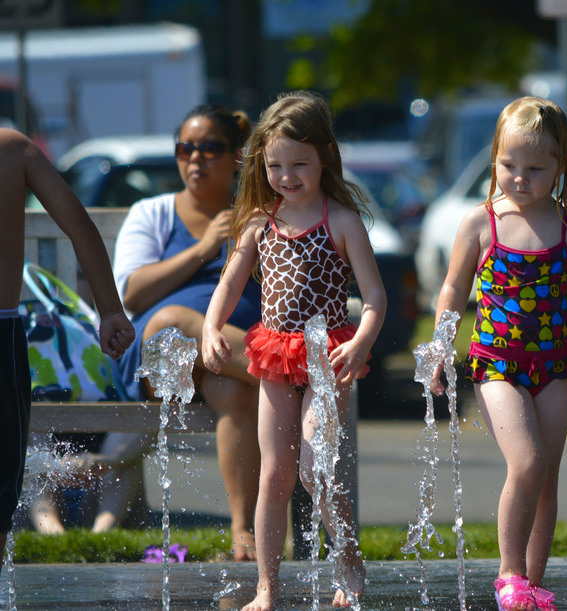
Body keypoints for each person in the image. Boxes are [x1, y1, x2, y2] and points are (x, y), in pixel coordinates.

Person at [202, 90, 385, 611]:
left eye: (299, 164)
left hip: (328, 358)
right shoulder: (262, 220)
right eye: (276, 165)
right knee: (275, 471)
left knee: (314, 468)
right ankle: (267, 586)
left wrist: (362, 341)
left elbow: (374, 296)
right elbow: (230, 284)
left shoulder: (341, 220)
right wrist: (212, 328)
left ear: (325, 154)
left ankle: (348, 561)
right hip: (276, 355)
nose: (286, 175)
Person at [430, 96, 567, 611]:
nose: (521, 178)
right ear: (494, 161)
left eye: (536, 168)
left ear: (561, 167)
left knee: (546, 478)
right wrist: (442, 344)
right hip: (495, 366)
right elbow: (452, 289)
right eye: (510, 166)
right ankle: (508, 573)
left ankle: (532, 584)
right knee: (527, 463)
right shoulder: (480, 222)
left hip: (554, 365)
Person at [111, 104, 261, 558]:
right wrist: (203, 248)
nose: (196, 159)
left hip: (222, 368)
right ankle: (285, 375)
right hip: (159, 367)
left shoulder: (256, 215)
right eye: (185, 148)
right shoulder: (153, 212)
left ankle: (243, 531)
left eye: (210, 148)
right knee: (173, 319)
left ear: (236, 157)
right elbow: (132, 295)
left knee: (234, 396)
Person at [0, 127, 134, 554]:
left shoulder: (13, 149)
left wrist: (112, 310)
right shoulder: (13, 147)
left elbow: (79, 226)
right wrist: (110, 310)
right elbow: (79, 225)